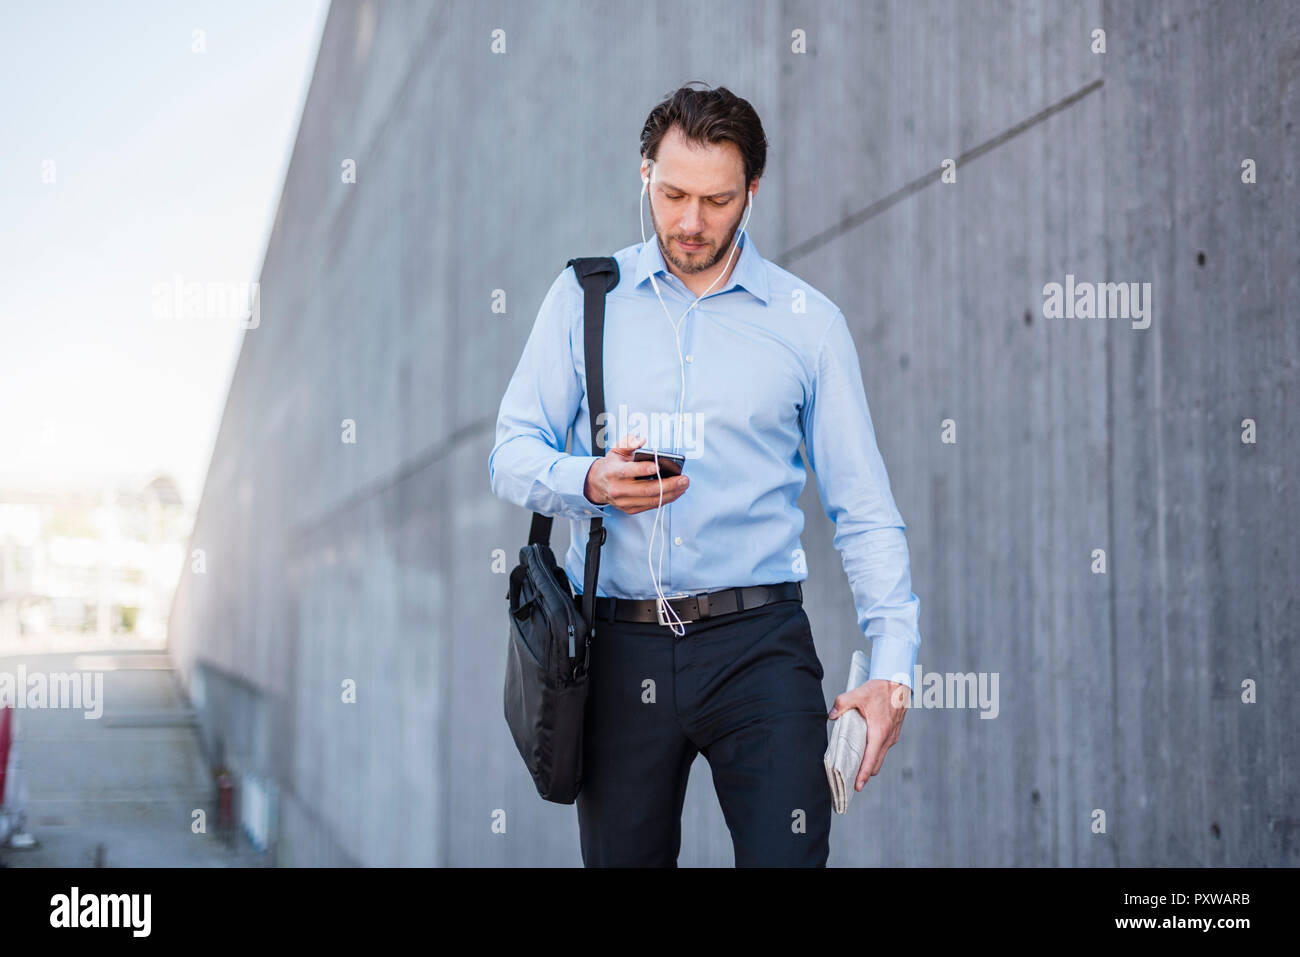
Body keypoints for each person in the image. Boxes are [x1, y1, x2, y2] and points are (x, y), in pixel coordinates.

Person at [488, 83, 921, 867]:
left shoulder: (808, 325)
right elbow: (511, 449)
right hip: (618, 649)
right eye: (673, 193)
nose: (690, 222)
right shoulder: (585, 299)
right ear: (644, 174)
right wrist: (589, 480)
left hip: (760, 648)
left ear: (752, 191)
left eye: (717, 199)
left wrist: (893, 669)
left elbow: (863, 508)